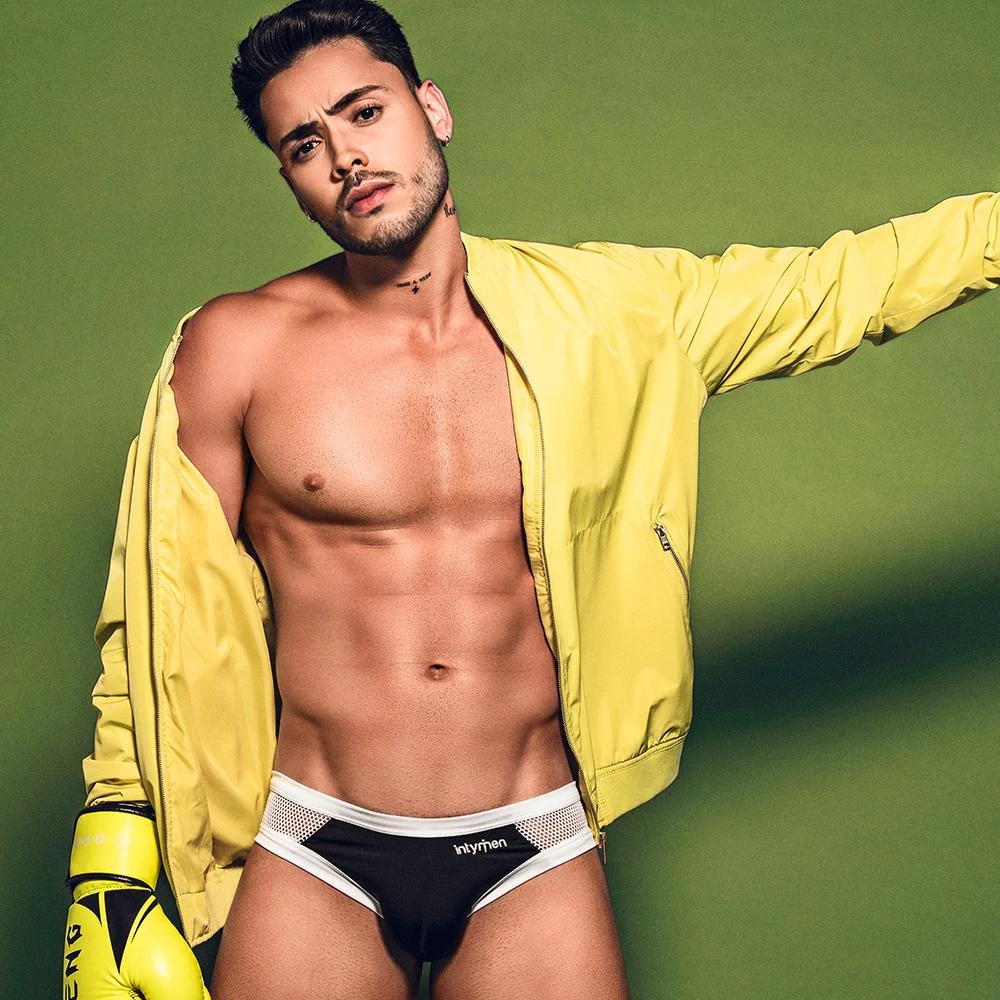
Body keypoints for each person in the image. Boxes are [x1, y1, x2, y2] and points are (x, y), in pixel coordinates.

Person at [61, 1, 998, 997]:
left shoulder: (614, 315)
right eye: (304, 144)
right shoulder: (234, 348)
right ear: (289, 178)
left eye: (365, 112)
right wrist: (109, 862)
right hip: (316, 844)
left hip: (531, 843)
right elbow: (155, 615)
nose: (345, 156)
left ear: (431, 109)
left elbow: (842, 285)